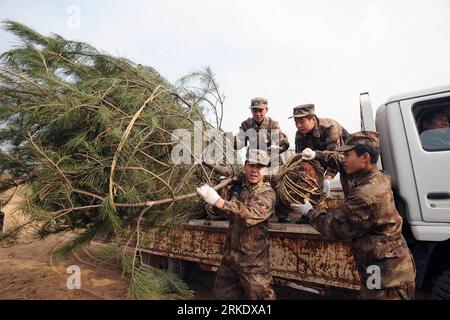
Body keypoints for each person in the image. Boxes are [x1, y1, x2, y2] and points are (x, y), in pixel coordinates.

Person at [292, 131, 416, 300]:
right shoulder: (379, 177)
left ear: (365, 157)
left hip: (386, 274)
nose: (343, 159)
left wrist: (309, 212)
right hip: (387, 263)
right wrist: (318, 155)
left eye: (347, 155)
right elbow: (338, 161)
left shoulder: (365, 194)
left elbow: (334, 227)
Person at [196, 149, 276, 300]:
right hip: (230, 260)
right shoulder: (237, 187)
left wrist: (219, 202)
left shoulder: (267, 193)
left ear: (266, 170)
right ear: (245, 166)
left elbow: (251, 214)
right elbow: (221, 212)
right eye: (252, 165)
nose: (255, 170)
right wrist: (217, 196)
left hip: (253, 263)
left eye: (260, 166)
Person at [235, 97, 289, 167]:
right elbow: (240, 143)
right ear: (251, 110)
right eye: (255, 111)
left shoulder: (272, 124)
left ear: (266, 110)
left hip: (272, 163)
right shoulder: (246, 125)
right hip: (253, 162)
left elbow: (284, 144)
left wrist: (275, 149)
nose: (258, 114)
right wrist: (231, 141)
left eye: (260, 110)